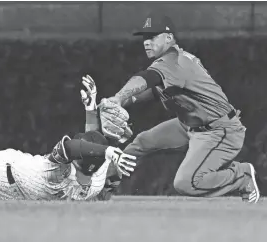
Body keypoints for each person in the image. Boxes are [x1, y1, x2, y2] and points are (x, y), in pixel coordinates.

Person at [96, 13, 260, 203]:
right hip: (189, 124)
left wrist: (118, 97)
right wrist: (124, 101)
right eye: (144, 38)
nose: (146, 42)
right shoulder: (172, 62)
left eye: (152, 37)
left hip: (219, 130)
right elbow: (155, 91)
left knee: (187, 183)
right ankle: (102, 188)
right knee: (142, 142)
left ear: (169, 38)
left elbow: (146, 79)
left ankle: (242, 176)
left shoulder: (174, 61)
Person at [0, 80, 136, 201]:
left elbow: (74, 147)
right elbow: (91, 149)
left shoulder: (58, 170)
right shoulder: (95, 182)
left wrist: (108, 150)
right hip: (26, 196)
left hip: (6, 169)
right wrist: (92, 111)